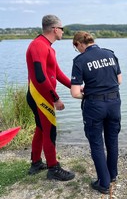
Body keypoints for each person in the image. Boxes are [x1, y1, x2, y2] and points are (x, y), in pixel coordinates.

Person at [70, 31, 122, 194]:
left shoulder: (80, 60)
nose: (77, 50)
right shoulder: (110, 54)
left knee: (97, 144)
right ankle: (112, 175)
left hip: (94, 106)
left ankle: (104, 183)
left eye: (75, 47)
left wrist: (89, 93)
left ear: (79, 43)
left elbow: (75, 92)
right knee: (112, 140)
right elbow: (119, 80)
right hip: (114, 103)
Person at [26, 15, 75, 181]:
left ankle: (36, 163)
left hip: (42, 95)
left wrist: (74, 86)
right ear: (55, 29)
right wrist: (55, 98)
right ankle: (53, 168)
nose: (63, 32)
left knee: (41, 128)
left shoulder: (48, 47)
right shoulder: (38, 46)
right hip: (40, 96)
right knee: (50, 130)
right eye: (62, 29)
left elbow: (57, 73)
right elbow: (40, 77)